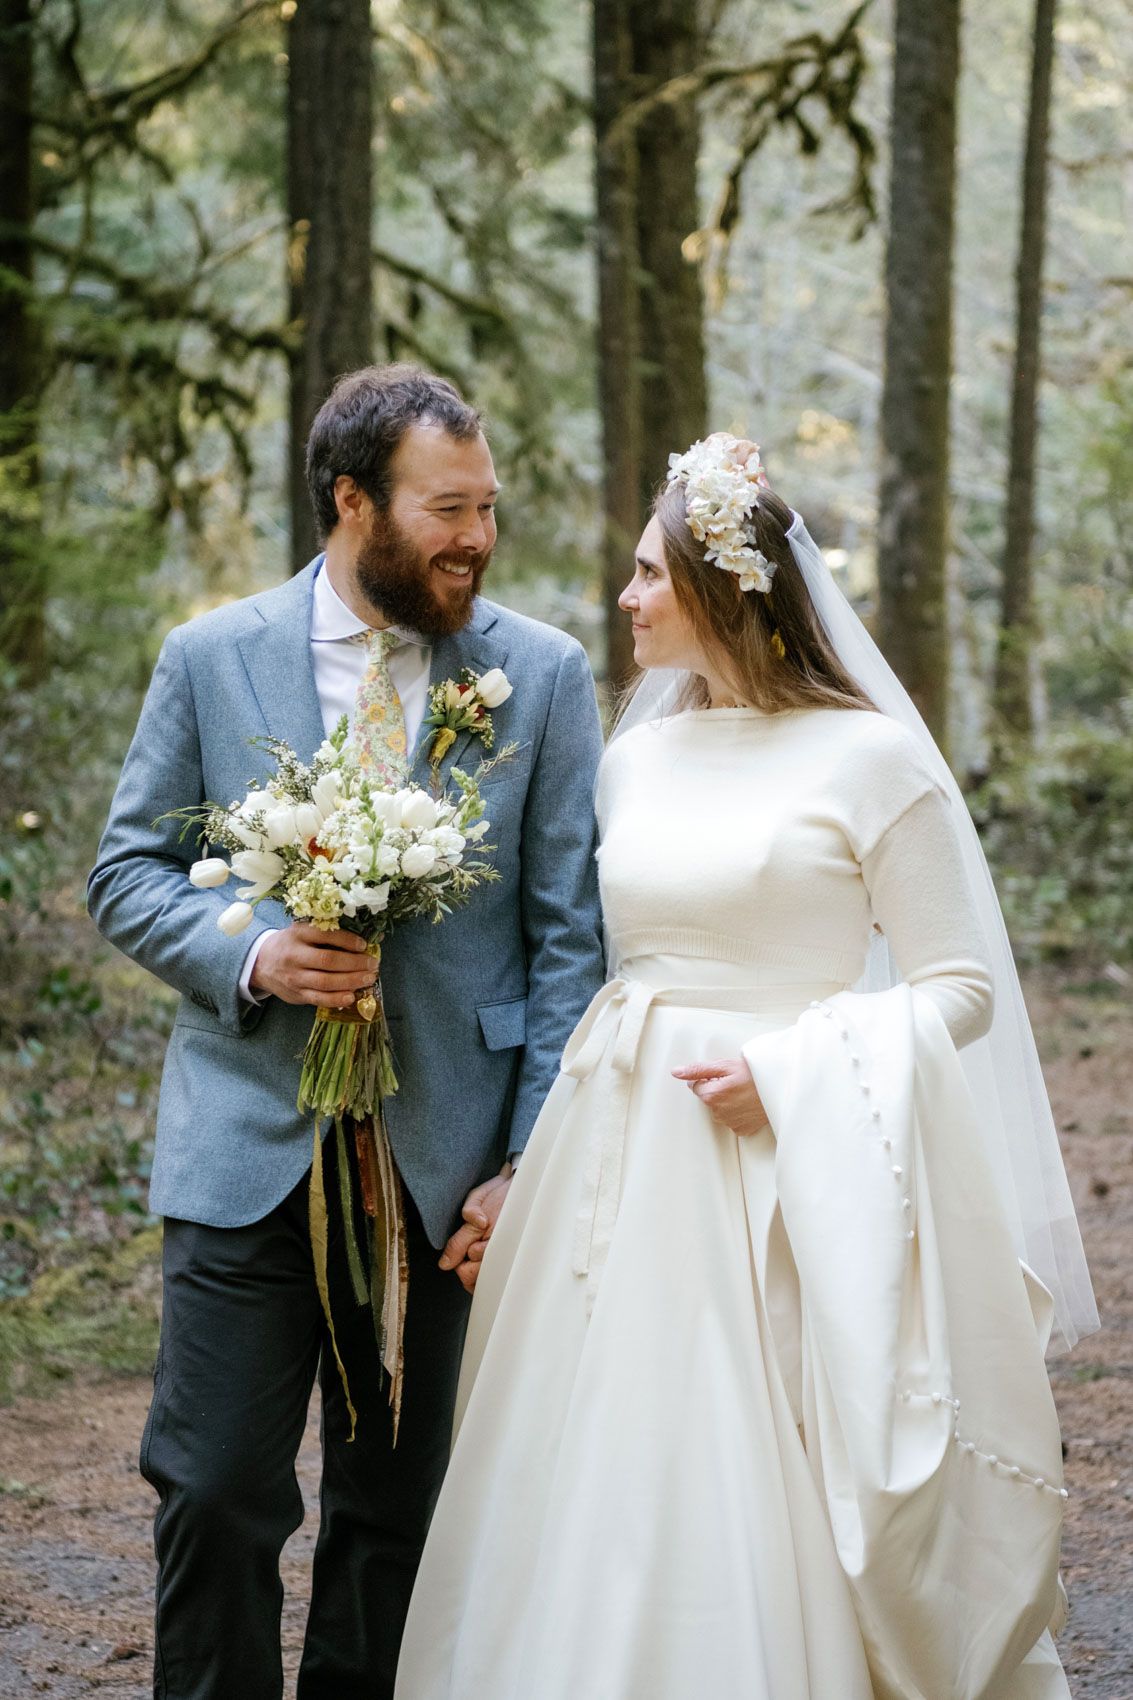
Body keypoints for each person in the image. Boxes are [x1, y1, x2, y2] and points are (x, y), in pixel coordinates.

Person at [394, 433, 1098, 1700]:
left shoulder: (871, 761)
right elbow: (587, 951)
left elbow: (959, 987)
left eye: (650, 574)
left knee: (759, 1445)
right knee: (597, 1442)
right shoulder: (634, 755)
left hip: (785, 1154)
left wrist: (798, 1071)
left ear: (725, 590)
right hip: (618, 1145)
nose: (626, 599)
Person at [87, 363, 605, 1700]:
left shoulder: (539, 675)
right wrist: (252, 953)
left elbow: (568, 941)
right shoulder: (210, 656)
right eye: (447, 509)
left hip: (443, 1176)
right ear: (349, 501)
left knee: (394, 1522)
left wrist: (524, 1163)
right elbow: (126, 873)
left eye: (487, 507)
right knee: (210, 1491)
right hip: (244, 1144)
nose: (477, 539)